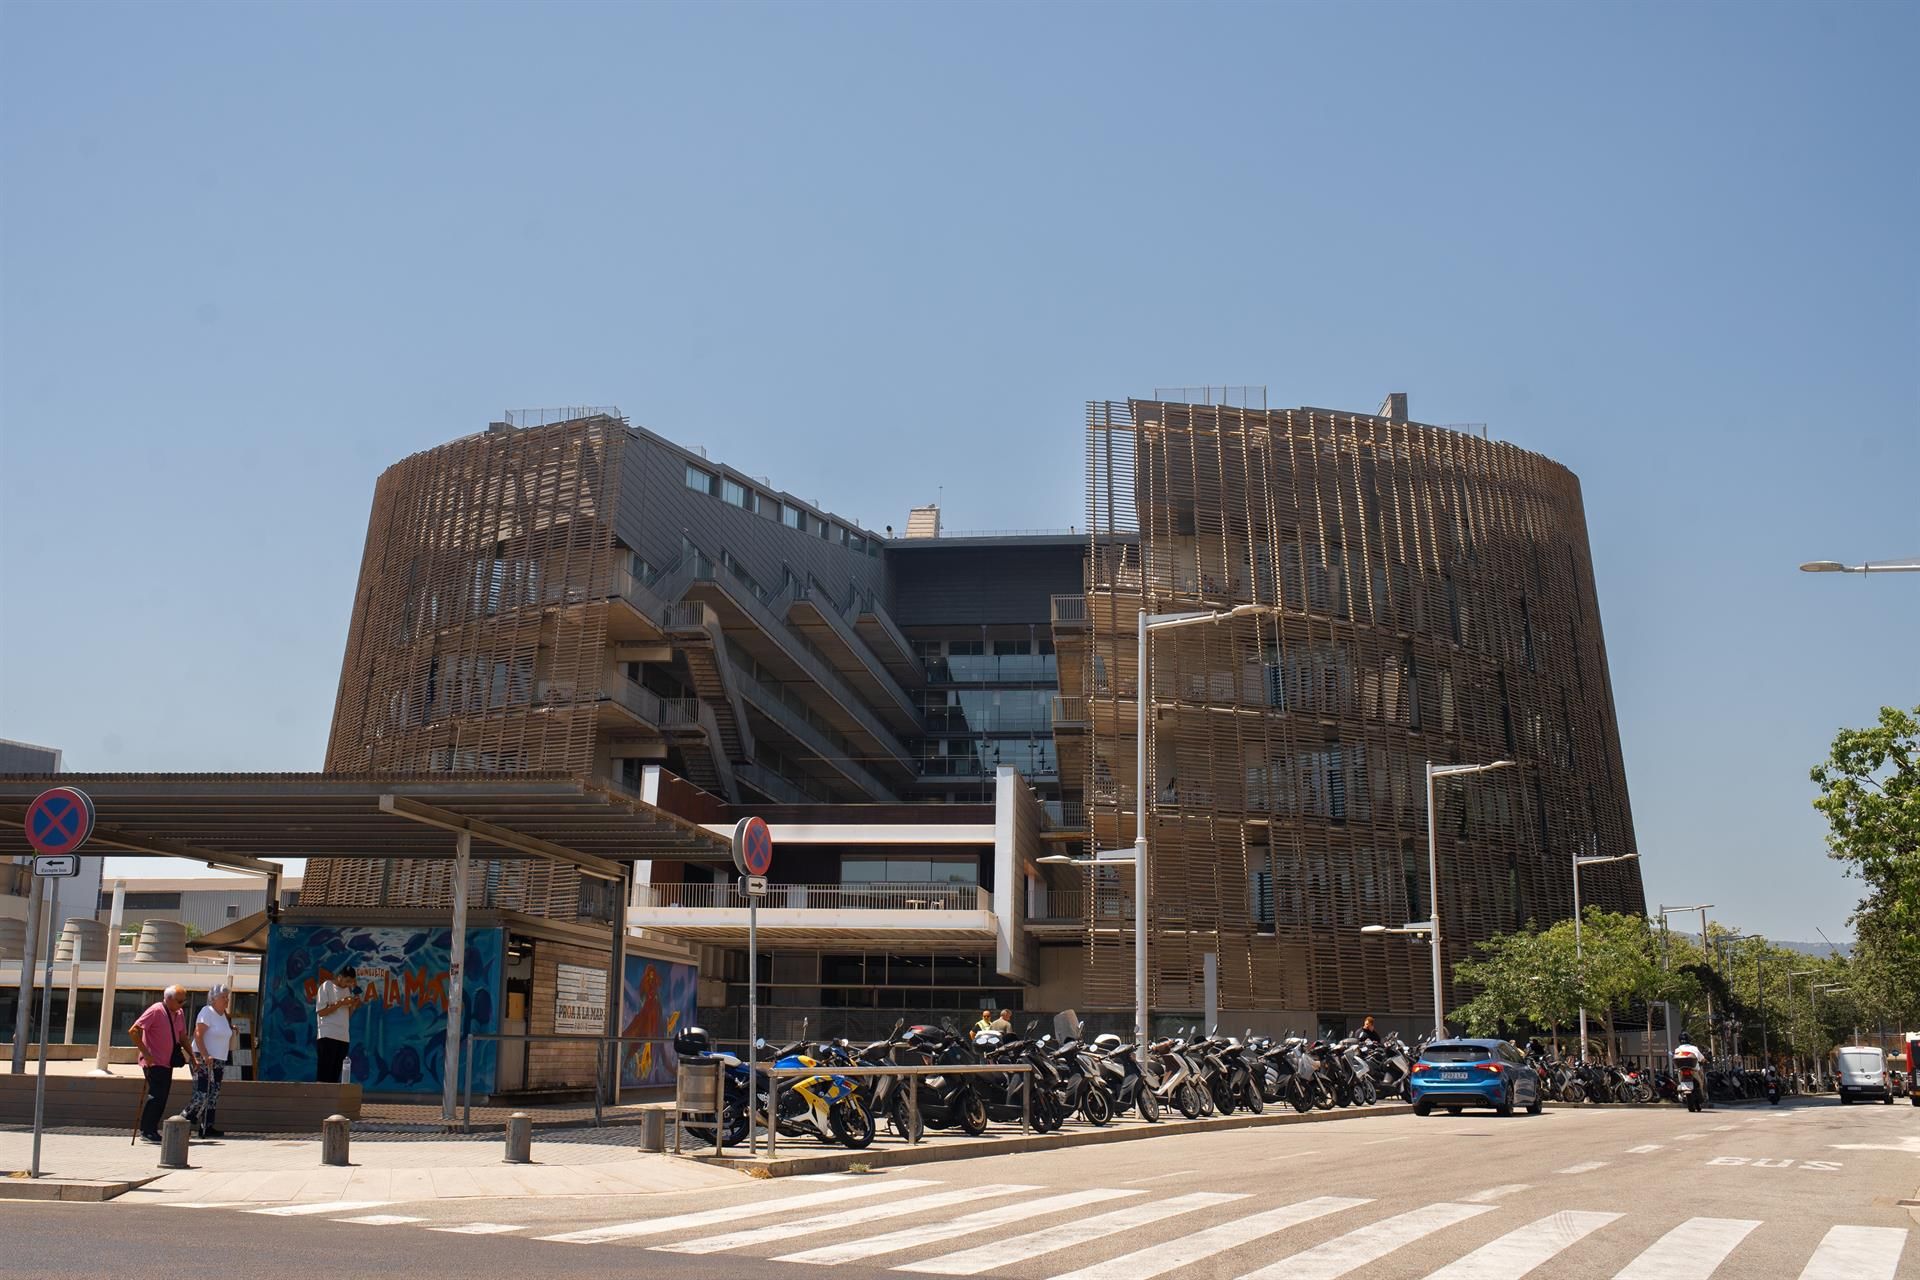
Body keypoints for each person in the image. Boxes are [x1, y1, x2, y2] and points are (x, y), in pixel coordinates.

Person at [129, 985, 195, 1144]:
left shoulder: (179, 1013)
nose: (182, 1004)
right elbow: (133, 1031)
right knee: (156, 1096)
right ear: (169, 999)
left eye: (184, 1001)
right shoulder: (156, 1010)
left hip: (168, 1062)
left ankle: (151, 1129)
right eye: (179, 1001)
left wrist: (192, 1056)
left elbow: (183, 1037)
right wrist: (146, 1053)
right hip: (154, 1062)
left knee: (162, 1097)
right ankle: (147, 1131)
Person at [184, 985, 234, 1138]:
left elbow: (220, 1031)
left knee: (213, 1094)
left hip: (219, 1058)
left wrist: (233, 1029)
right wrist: (205, 1056)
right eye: (223, 997)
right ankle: (183, 1120)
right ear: (213, 999)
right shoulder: (207, 1012)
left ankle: (207, 1126)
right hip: (203, 1057)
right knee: (202, 1092)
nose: (226, 1000)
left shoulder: (223, 1015)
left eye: (227, 997)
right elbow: (198, 1035)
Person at [315, 964, 365, 1084]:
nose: (348, 984)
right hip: (327, 1035)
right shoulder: (326, 986)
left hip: (343, 1037)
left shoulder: (347, 991)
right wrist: (340, 1002)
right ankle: (319, 1100)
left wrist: (353, 1006)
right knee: (324, 1074)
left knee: (335, 1074)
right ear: (340, 977)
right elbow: (321, 1012)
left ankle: (331, 1101)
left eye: (351, 982)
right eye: (347, 981)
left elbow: (346, 1016)